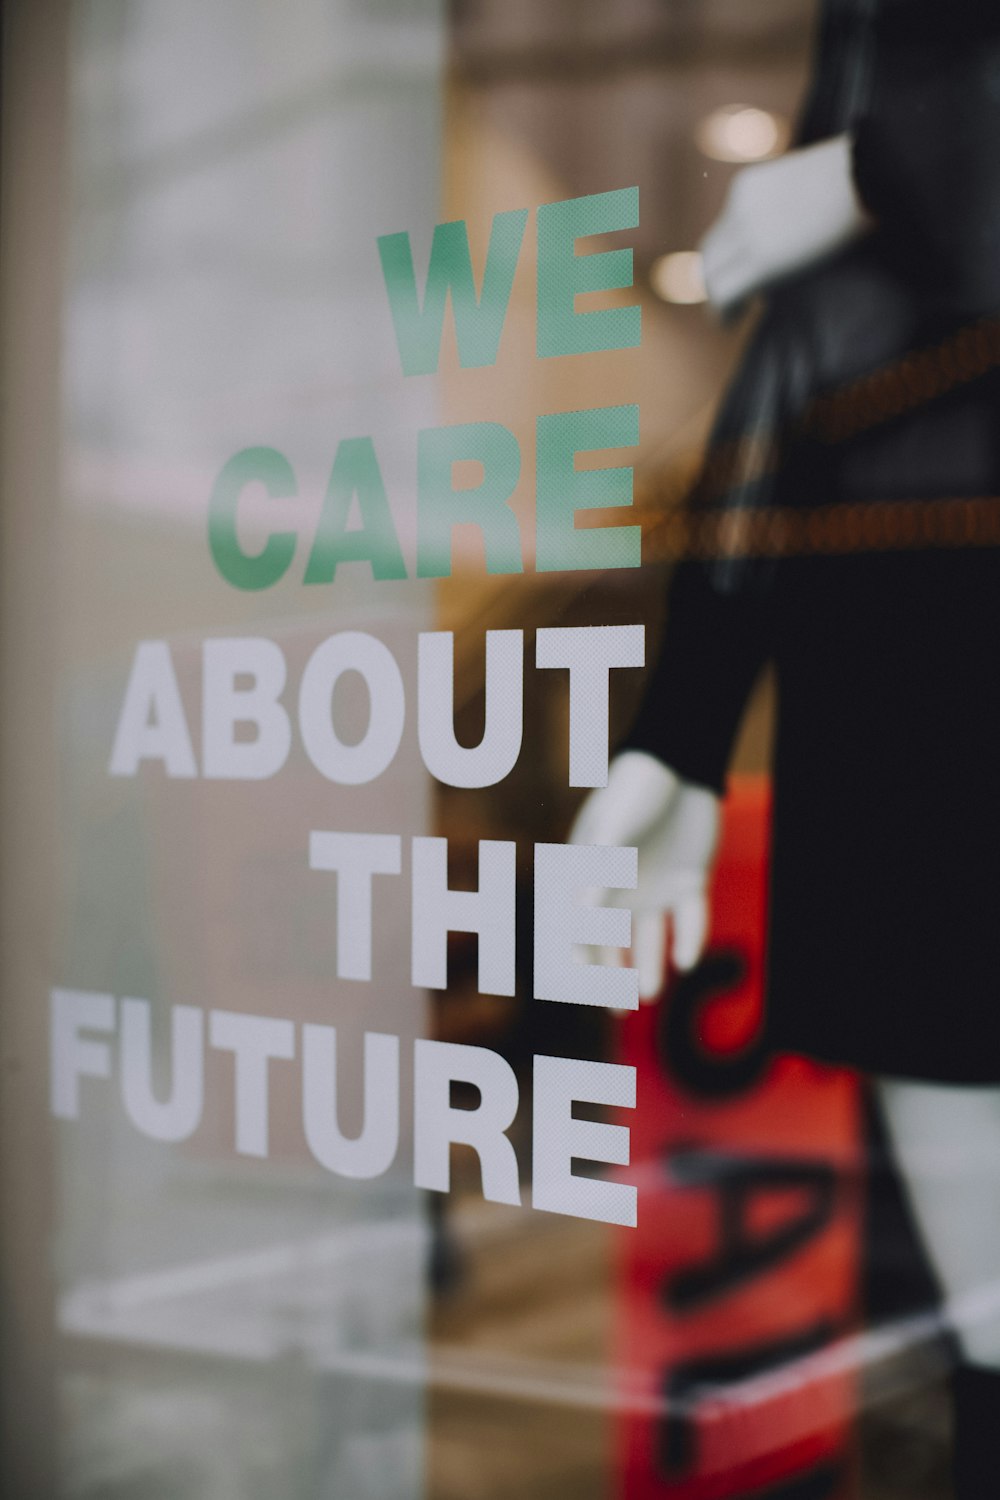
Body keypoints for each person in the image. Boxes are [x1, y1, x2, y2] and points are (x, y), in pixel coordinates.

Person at [571, 2, 1000, 1492]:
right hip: (904, 666)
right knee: (987, 1326)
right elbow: (799, 342)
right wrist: (685, 728)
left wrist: (875, 168)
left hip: (922, 638)